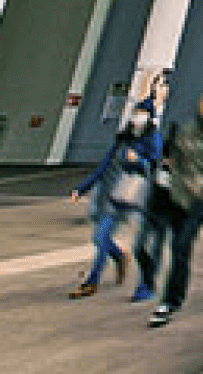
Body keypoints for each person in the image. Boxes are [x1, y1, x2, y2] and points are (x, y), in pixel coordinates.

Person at [136, 88, 203, 327]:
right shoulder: (187, 129)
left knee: (181, 245)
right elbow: (175, 156)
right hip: (175, 194)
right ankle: (151, 284)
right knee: (155, 243)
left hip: (201, 198)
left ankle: (170, 300)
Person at [69, 98, 161, 298]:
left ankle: (145, 286)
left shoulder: (153, 138)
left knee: (142, 244)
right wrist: (82, 188)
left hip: (138, 198)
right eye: (136, 112)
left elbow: (155, 166)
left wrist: (139, 161)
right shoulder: (123, 138)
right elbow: (104, 165)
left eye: (141, 113)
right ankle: (99, 274)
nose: (137, 117)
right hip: (117, 195)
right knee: (100, 238)